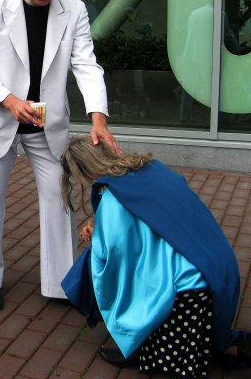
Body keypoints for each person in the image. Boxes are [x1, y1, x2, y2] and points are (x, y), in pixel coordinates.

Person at [0, 0, 119, 311]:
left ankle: (61, 283)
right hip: (0, 117)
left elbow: (86, 64)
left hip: (47, 126)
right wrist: (10, 101)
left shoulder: (75, 10)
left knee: (60, 199)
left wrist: (98, 118)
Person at [60, 136, 250, 376]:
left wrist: (98, 237)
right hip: (217, 271)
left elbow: (112, 253)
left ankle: (138, 338)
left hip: (190, 288)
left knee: (91, 264)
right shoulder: (152, 167)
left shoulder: (113, 197)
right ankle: (210, 344)